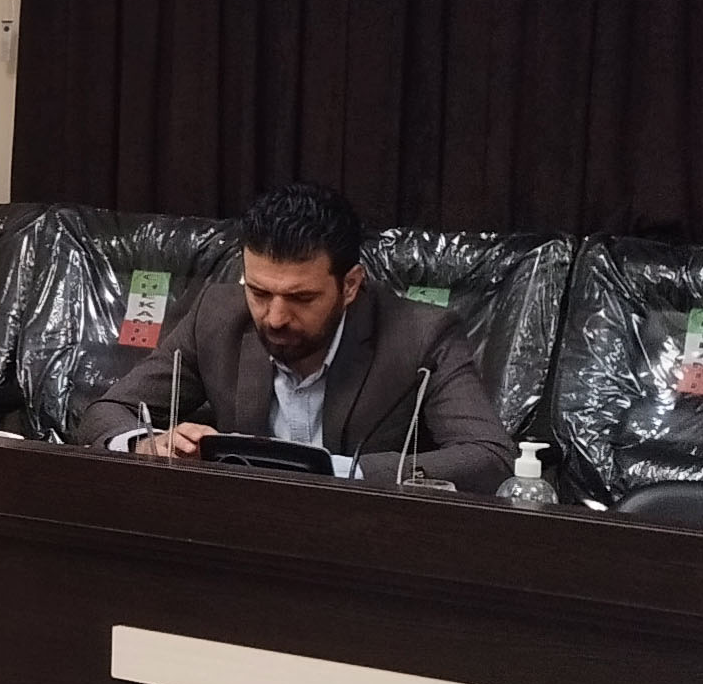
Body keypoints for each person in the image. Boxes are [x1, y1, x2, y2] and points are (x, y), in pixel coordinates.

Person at [78, 181, 509, 491]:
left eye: (301, 298)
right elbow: (108, 411)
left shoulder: (422, 335)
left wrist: (343, 473)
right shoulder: (217, 316)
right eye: (259, 292)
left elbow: (490, 457)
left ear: (350, 285)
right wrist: (147, 444)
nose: (276, 317)